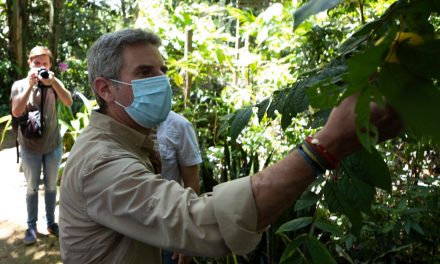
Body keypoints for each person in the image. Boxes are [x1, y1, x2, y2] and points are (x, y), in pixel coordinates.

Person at [59, 28, 402, 263]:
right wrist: (322, 147)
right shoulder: (101, 162)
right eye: (146, 72)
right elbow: (202, 224)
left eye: (163, 70)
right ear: (105, 89)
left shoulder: (130, 139)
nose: (163, 80)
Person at [10, 46, 73, 245]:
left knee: (51, 186)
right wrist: (30, 85)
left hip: (52, 144)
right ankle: (31, 226)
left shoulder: (53, 82)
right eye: (36, 63)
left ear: (50, 65)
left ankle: (51, 223)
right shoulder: (19, 85)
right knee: (31, 188)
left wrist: (53, 82)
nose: (40, 67)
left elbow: (69, 101)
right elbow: (16, 112)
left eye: (44, 63)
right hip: (30, 146)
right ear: (29, 63)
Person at [157, 111, 202, 264]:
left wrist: (188, 234)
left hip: (170, 230)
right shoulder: (118, 121)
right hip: (130, 230)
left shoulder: (179, 125)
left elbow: (192, 186)